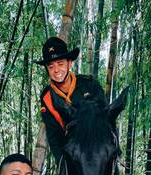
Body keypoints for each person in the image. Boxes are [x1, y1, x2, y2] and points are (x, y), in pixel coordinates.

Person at [36, 36, 107, 165]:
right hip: (70, 152)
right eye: (51, 66)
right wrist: (64, 164)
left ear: (70, 63)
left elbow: (105, 121)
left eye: (60, 64)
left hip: (96, 148)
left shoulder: (90, 85)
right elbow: (54, 137)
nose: (56, 70)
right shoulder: (46, 97)